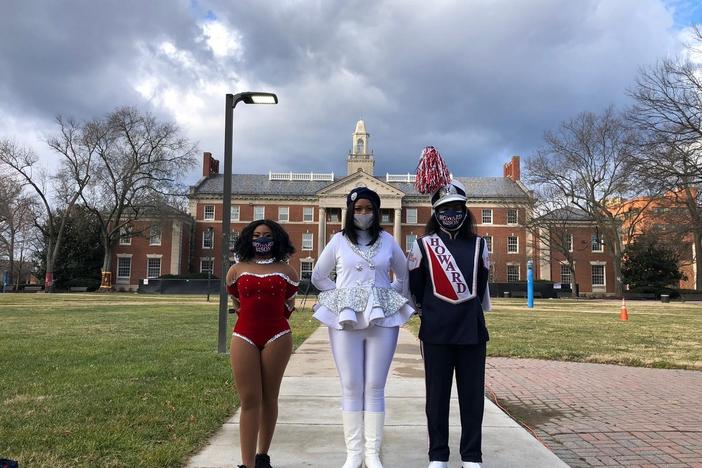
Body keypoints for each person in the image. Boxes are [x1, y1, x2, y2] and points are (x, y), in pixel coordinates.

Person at [311, 187, 414, 468]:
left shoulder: (388, 240)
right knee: (352, 385)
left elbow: (404, 276)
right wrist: (342, 298)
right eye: (358, 209)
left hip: (382, 318)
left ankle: (372, 453)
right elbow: (319, 276)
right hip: (347, 318)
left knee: (375, 385)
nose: (364, 214)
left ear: (377, 212)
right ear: (350, 211)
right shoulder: (338, 241)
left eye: (369, 209)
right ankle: (353, 454)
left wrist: (388, 295)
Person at [408, 179, 492, 468]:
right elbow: (416, 288)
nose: (451, 214)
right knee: (437, 397)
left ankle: (471, 456)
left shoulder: (480, 245)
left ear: (465, 210)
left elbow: (480, 288)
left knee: (472, 397)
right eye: (444, 209)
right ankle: (438, 455)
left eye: (456, 208)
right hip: (436, 330)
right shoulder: (422, 245)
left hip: (471, 330)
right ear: (435, 212)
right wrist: (431, 312)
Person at [226, 219, 299, 468]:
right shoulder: (237, 269)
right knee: (249, 399)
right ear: (249, 238)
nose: (261, 239)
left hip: (277, 336)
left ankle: (262, 456)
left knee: (269, 397)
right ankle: (247, 464)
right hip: (244, 335)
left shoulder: (287, 271)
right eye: (256, 235)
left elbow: (289, 302)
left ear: (276, 238)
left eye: (267, 235)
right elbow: (235, 298)